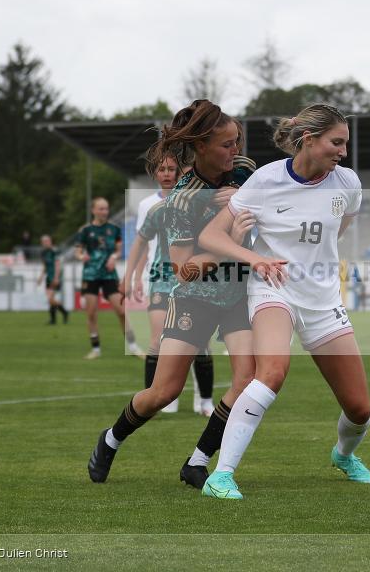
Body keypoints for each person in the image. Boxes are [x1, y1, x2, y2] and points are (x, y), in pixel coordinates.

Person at [197, 103, 370, 500]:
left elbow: (340, 227)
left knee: (360, 410)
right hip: (273, 290)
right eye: (337, 142)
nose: (343, 152)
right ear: (309, 141)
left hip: (323, 299)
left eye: (345, 144)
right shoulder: (264, 180)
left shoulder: (347, 183)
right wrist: (257, 258)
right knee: (273, 371)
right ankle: (220, 476)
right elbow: (212, 236)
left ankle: (344, 456)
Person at [86, 99, 260, 490]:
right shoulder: (181, 198)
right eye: (227, 144)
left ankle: (197, 462)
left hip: (237, 296)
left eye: (238, 141)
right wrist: (227, 238)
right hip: (194, 297)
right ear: (200, 147)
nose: (236, 151)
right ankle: (111, 439)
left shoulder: (245, 172)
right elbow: (184, 267)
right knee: (163, 392)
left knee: (247, 379)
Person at [123, 155, 214, 416]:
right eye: (161, 169)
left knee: (200, 343)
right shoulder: (152, 207)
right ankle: (153, 399)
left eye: (172, 169)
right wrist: (131, 277)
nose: (167, 174)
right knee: (156, 340)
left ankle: (204, 399)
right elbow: (142, 242)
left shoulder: (202, 206)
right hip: (161, 278)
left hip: (193, 281)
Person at [74, 197, 143, 359]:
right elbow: (77, 251)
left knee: (121, 311)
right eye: (101, 209)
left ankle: (133, 346)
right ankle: (96, 349)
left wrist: (114, 257)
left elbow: (119, 250)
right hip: (90, 275)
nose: (105, 212)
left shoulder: (114, 229)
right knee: (91, 313)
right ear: (93, 210)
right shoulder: (85, 230)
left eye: (106, 208)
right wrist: (81, 256)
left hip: (109, 276)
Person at [36, 235, 68, 325]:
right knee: (51, 299)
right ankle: (60, 315)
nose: (45, 243)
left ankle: (60, 315)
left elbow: (57, 265)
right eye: (43, 242)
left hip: (55, 277)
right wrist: (41, 277)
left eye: (47, 241)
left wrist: (56, 278)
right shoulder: (43, 253)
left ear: (50, 241)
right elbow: (45, 266)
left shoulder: (55, 251)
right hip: (48, 278)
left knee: (50, 298)